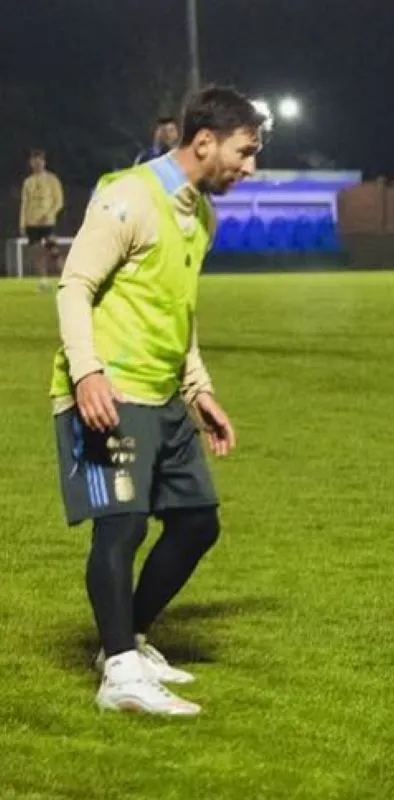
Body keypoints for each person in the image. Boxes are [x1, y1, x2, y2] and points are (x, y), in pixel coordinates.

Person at [52, 85, 265, 715]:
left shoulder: (201, 214)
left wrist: (199, 389)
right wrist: (87, 373)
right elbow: (74, 286)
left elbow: (180, 309)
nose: (250, 166)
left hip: (165, 395)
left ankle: (126, 640)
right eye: (245, 151)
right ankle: (118, 674)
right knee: (120, 528)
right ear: (204, 142)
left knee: (198, 521)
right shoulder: (126, 198)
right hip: (107, 392)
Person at [20, 148, 64, 292]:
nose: (37, 163)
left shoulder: (52, 179)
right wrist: (22, 223)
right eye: (34, 161)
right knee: (37, 253)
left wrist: (50, 213)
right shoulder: (28, 182)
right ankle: (43, 282)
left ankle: (66, 280)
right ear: (31, 163)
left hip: (47, 222)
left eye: (40, 160)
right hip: (32, 223)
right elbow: (24, 203)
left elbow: (59, 201)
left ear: (44, 162)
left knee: (54, 252)